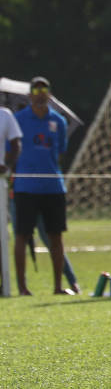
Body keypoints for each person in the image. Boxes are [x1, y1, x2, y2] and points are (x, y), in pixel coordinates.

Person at [13, 76, 73, 295]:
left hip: (53, 187)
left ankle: (58, 287)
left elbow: (60, 152)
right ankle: (22, 288)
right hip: (25, 187)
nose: (40, 94)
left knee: (56, 236)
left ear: (49, 94)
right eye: (36, 91)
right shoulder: (18, 119)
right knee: (22, 235)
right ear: (30, 95)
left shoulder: (59, 121)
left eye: (43, 90)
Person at [0, 106, 22, 293]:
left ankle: (3, 285)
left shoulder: (5, 114)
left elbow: (16, 144)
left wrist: (7, 166)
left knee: (1, 234)